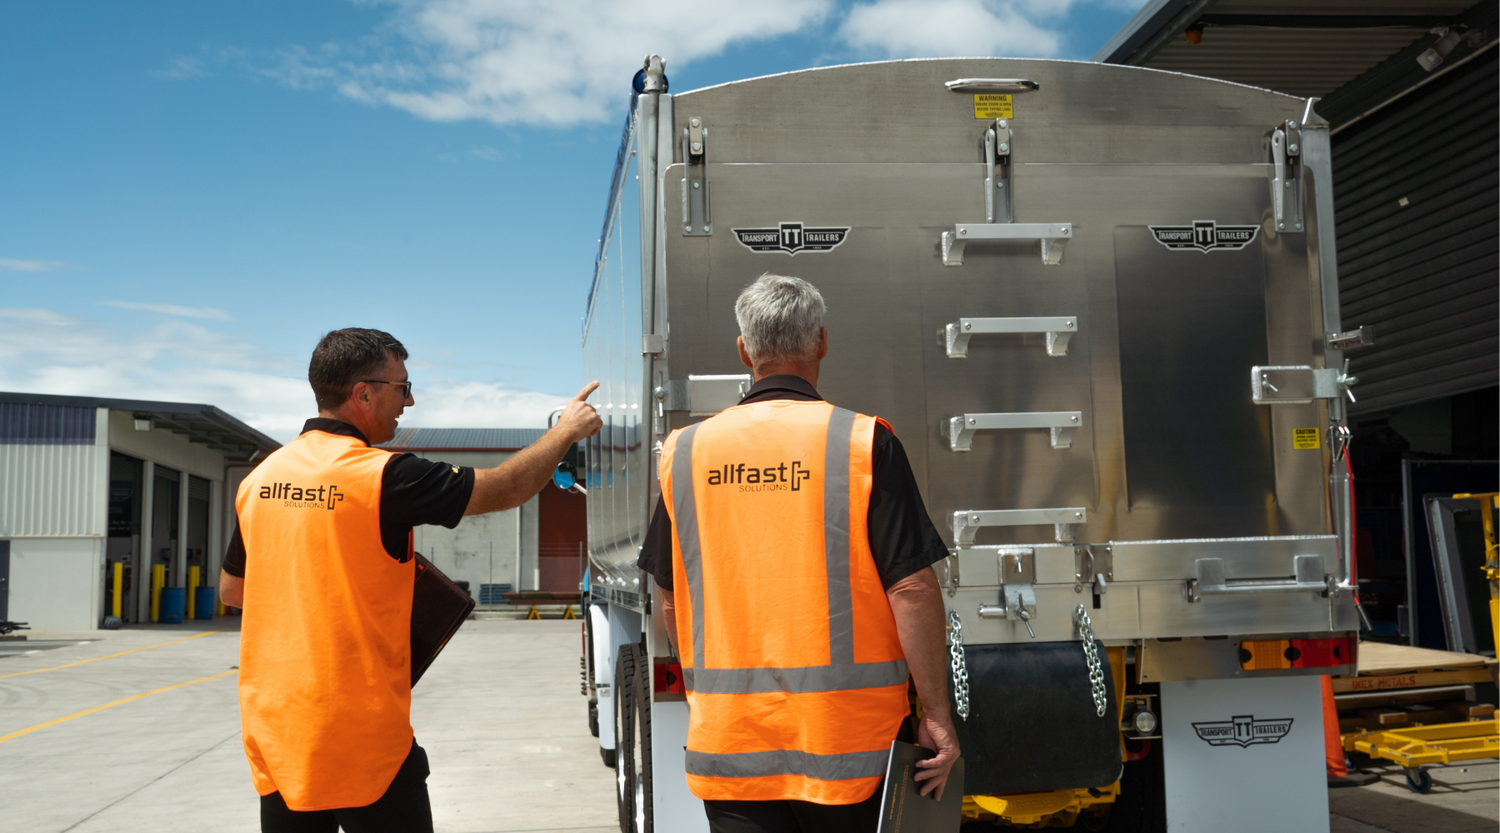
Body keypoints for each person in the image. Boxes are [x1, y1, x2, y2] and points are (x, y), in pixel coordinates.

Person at [218, 328, 601, 833]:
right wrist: (565, 431)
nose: (410, 400)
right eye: (402, 387)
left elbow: (234, 590)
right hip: (360, 733)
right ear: (363, 394)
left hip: (277, 732)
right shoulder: (384, 476)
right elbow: (506, 488)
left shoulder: (261, 479)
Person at [636, 274, 959, 833]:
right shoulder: (863, 442)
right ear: (822, 342)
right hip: (849, 749)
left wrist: (705, 696)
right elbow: (910, 587)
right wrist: (937, 715)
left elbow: (669, 596)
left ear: (744, 351)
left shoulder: (685, 453)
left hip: (731, 743)